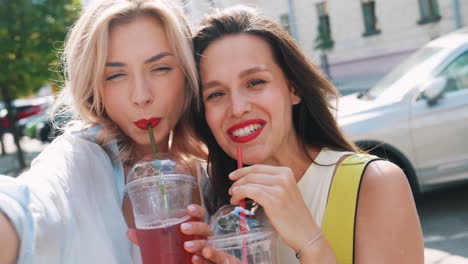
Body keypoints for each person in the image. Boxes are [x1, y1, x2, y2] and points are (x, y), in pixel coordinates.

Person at [181, 6, 424, 264]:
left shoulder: (374, 183)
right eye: (216, 94)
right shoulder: (229, 216)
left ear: (293, 89)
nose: (238, 108)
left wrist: (309, 241)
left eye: (255, 82)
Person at [0, 0, 205, 263]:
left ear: (188, 73)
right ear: (93, 86)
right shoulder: (80, 159)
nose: (141, 96)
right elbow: (28, 209)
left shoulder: (215, 170)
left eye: (161, 68)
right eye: (115, 76)